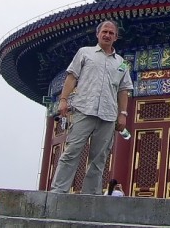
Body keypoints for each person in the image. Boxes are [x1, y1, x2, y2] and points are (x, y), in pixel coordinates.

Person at [50, 21, 134, 194]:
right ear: (98, 34)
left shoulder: (122, 63)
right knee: (72, 151)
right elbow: (72, 77)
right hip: (84, 109)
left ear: (116, 37)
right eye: (104, 31)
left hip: (108, 114)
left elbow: (124, 90)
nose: (107, 35)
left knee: (100, 158)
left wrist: (123, 114)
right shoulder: (84, 53)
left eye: (111, 33)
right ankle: (59, 191)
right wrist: (63, 100)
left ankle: (91, 195)